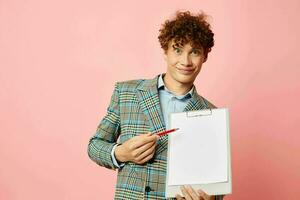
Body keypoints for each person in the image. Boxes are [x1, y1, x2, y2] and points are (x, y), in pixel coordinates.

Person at [88, 10, 224, 200]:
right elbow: (94, 146)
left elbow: (216, 184)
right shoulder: (127, 92)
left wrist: (210, 198)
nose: (185, 61)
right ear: (165, 51)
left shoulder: (211, 115)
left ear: (205, 56)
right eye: (178, 50)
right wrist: (120, 153)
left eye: (194, 52)